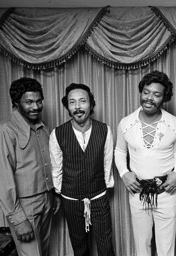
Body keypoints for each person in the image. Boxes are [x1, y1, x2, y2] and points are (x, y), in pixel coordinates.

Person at [115, 70, 176, 256]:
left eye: (156, 94)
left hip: (166, 193)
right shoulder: (126, 123)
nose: (149, 98)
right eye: (146, 92)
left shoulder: (174, 123)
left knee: (166, 248)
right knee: (142, 245)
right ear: (141, 92)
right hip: (138, 192)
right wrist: (124, 173)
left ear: (164, 98)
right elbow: (120, 151)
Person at [0, 77, 59, 256]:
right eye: (29, 102)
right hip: (25, 206)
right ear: (16, 103)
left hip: (47, 201)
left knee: (44, 252)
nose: (35, 107)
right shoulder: (3, 132)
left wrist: (54, 195)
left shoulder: (43, 129)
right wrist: (18, 220)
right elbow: (2, 181)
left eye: (39, 101)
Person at [49, 83, 115, 256]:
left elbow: (107, 162)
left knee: (106, 246)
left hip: (99, 196)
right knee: (79, 247)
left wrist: (104, 186)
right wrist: (59, 192)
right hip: (70, 199)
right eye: (72, 102)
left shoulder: (104, 130)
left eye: (82, 101)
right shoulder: (57, 134)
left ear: (91, 104)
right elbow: (56, 168)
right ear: (67, 107)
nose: (77, 107)